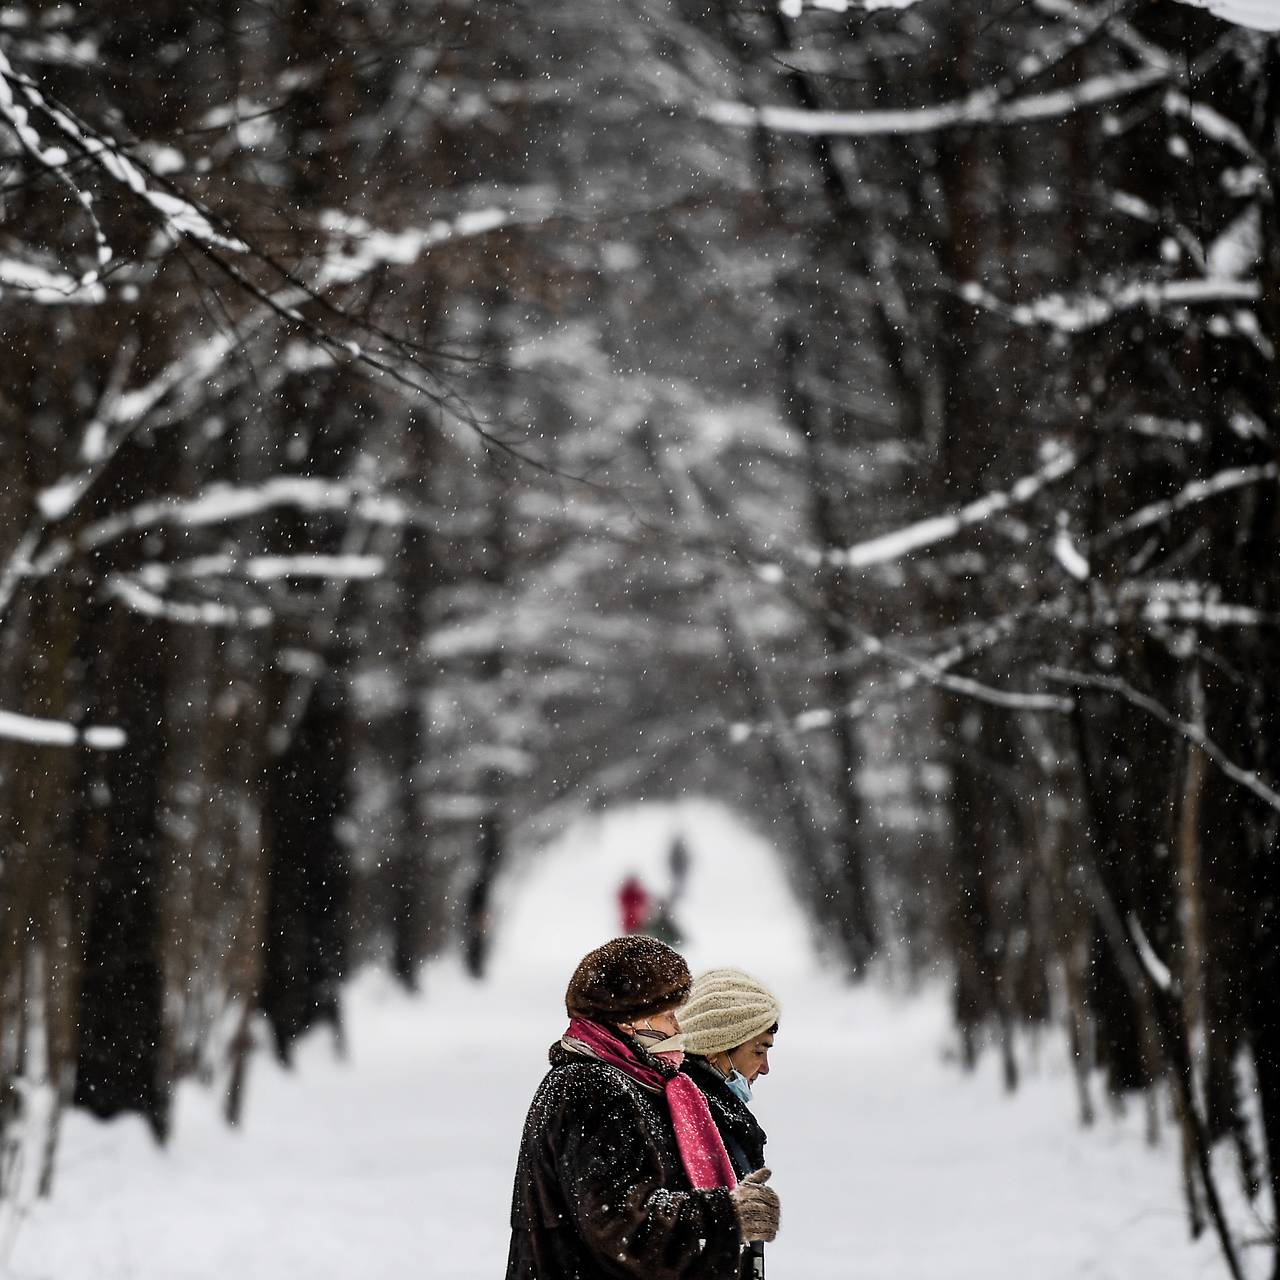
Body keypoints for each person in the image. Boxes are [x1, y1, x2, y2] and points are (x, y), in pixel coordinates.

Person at [505, 936, 781, 1280]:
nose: (678, 1029)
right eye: (667, 1016)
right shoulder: (593, 1088)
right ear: (628, 1021)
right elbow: (619, 1225)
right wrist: (727, 1216)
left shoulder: (627, 1082)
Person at [665, 968, 779, 1182]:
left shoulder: (710, 1111)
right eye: (758, 1052)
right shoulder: (696, 1121)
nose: (765, 1068)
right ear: (714, 1049)